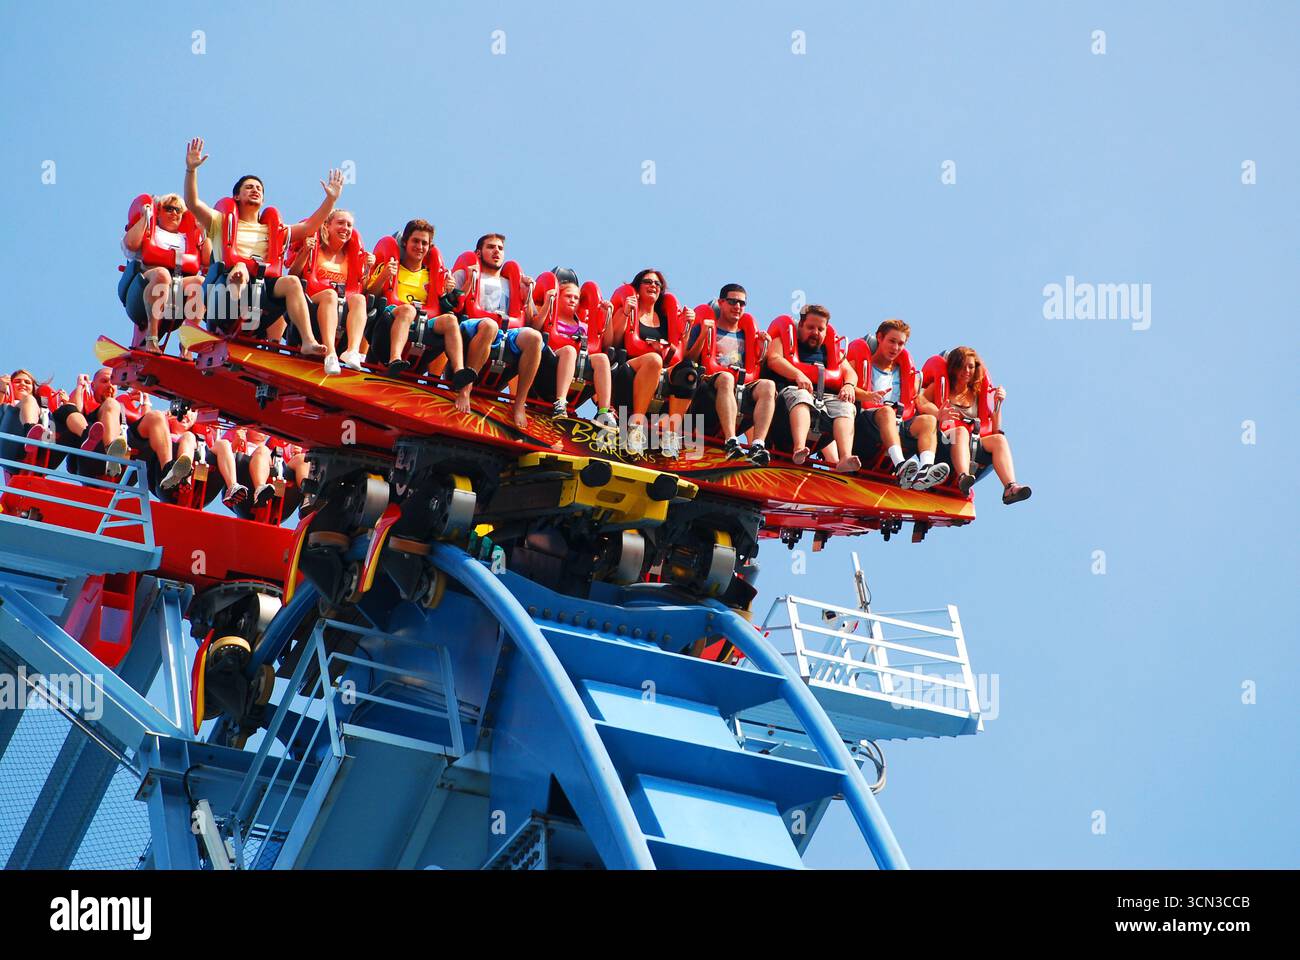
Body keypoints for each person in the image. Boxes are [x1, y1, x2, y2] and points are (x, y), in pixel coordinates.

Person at [183, 137, 340, 367]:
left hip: (261, 292)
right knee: (240, 269)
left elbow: (309, 227)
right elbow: (193, 203)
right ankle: (232, 321)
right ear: (237, 196)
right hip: (224, 292)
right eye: (249, 187)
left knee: (292, 282)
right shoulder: (219, 222)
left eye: (259, 188)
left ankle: (308, 341)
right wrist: (191, 170)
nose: (255, 190)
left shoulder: (272, 229)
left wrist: (330, 200)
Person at [367, 219, 475, 411]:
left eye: (424, 243)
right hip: (390, 322)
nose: (420, 247)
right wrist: (384, 276)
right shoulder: (392, 267)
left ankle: (459, 372)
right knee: (408, 309)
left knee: (450, 320)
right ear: (405, 243)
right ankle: (395, 360)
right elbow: (370, 295)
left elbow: (451, 306)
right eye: (415, 241)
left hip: (423, 324)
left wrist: (448, 291)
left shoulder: (432, 275)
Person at [449, 234, 543, 430]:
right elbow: (451, 303)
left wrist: (529, 294)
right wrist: (468, 281)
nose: (496, 251)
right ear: (478, 252)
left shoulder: (512, 282)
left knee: (534, 337)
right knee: (490, 326)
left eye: (500, 248)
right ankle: (465, 389)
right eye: (491, 247)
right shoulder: (466, 273)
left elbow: (533, 321)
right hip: (474, 325)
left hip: (507, 332)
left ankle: (519, 404)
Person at [917, 346, 1030, 504]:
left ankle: (1010, 487)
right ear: (954, 367)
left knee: (999, 439)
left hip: (973, 444)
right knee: (961, 432)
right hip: (944, 442)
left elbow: (994, 428)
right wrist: (937, 413)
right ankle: (963, 477)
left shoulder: (977, 393)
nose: (967, 371)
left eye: (970, 367)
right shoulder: (942, 387)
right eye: (962, 366)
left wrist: (998, 403)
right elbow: (920, 400)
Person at [848, 319, 948, 490]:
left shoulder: (908, 374)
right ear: (880, 338)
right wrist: (867, 395)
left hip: (899, 424)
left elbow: (919, 401)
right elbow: (847, 386)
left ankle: (925, 470)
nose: (895, 348)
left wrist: (940, 413)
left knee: (928, 421)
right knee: (887, 411)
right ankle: (901, 465)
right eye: (892, 341)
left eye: (900, 343)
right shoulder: (860, 364)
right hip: (867, 425)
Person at [609, 268, 697, 457]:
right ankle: (636, 426)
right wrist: (625, 313)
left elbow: (681, 350)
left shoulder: (666, 319)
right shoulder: (629, 310)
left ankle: (671, 433)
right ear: (637, 287)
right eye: (648, 282)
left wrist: (687, 326)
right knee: (654, 360)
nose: (653, 286)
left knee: (689, 372)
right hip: (629, 368)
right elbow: (613, 341)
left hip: (662, 371)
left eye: (657, 284)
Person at [685, 283, 775, 465]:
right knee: (726, 378)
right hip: (710, 382)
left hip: (742, 384)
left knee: (768, 385)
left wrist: (763, 348)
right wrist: (703, 334)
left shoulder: (749, 334)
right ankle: (731, 441)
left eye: (742, 303)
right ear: (721, 302)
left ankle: (758, 445)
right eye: (732, 301)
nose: (737, 307)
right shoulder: (708, 327)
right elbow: (688, 357)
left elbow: (758, 366)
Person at [764, 305, 861, 472]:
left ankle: (844, 457)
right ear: (800, 325)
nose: (815, 332)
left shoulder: (831, 351)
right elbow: (773, 359)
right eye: (811, 327)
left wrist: (849, 385)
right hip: (790, 398)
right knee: (802, 396)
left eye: (820, 329)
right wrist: (797, 374)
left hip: (824, 400)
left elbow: (850, 373)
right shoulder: (784, 340)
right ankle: (799, 447)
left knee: (846, 407)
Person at [119, 193, 209, 352]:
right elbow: (130, 245)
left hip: (178, 284)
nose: (174, 213)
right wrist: (146, 217)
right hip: (147, 280)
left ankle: (187, 345)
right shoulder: (151, 231)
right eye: (169, 208)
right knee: (162, 274)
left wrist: (204, 232)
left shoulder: (187, 238)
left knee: (201, 283)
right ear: (158, 211)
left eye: (178, 210)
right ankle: (151, 338)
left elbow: (207, 261)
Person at [288, 210, 374, 375]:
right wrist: (305, 251)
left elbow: (361, 286)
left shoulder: (351, 256)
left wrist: (368, 268)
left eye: (349, 225)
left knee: (359, 299)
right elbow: (293, 274)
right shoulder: (316, 249)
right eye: (341, 223)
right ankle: (330, 354)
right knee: (330, 294)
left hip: (341, 306)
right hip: (313, 301)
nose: (345, 228)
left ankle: (352, 351)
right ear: (327, 225)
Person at [533, 277, 617, 427]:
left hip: (579, 364)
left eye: (576, 298)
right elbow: (534, 327)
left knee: (603, 358)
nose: (573, 300)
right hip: (551, 363)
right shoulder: (552, 318)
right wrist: (548, 302)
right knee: (570, 350)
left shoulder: (583, 327)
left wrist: (607, 316)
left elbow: (608, 343)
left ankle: (603, 411)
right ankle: (560, 402)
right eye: (568, 296)